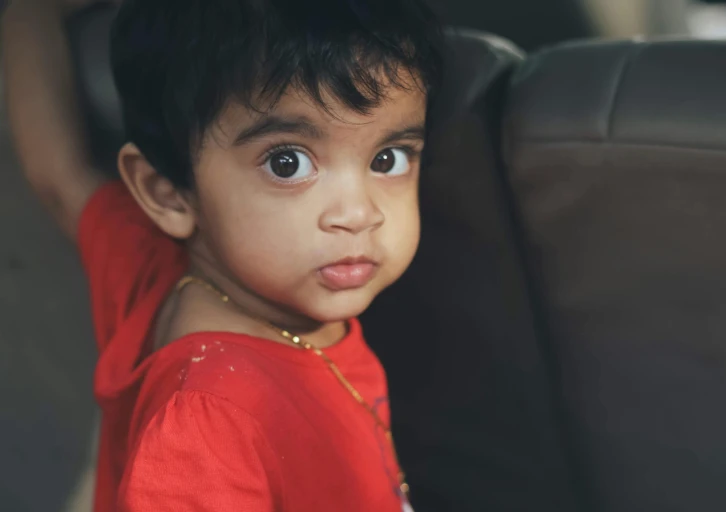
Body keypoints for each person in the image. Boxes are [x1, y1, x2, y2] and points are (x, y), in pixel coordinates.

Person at [2, 0, 443, 510]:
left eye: (387, 159)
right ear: (167, 193)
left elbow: (61, 178)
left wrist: (29, 14)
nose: (360, 213)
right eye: (287, 163)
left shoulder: (145, 263)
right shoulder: (208, 427)